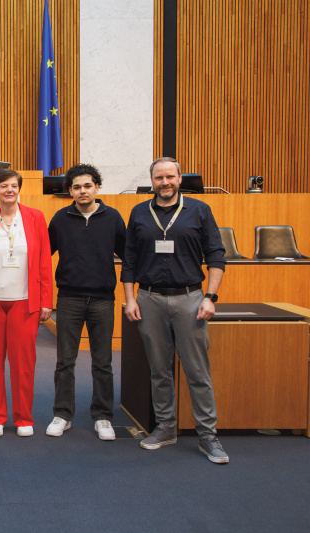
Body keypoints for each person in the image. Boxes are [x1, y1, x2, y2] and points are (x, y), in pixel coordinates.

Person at [122, 157, 229, 464]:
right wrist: (130, 299)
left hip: (190, 299)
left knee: (197, 371)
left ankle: (208, 436)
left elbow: (216, 255)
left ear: (180, 179)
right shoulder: (140, 212)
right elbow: (129, 259)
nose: (165, 182)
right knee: (159, 370)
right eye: (159, 178)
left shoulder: (199, 210)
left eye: (170, 177)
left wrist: (211, 296)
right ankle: (166, 428)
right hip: (149, 299)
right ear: (152, 181)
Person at [0, 169, 53, 437]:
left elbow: (44, 263)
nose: (9, 190)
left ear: (19, 189)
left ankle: (24, 418)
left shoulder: (35, 218)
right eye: (3, 186)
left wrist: (46, 300)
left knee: (23, 364)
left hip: (25, 303)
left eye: (13, 186)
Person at [45, 164, 126, 441]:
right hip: (69, 298)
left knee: (103, 362)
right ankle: (62, 414)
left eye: (87, 186)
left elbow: (128, 255)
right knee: (65, 361)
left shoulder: (112, 217)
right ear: (70, 191)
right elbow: (44, 255)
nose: (82, 191)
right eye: (77, 187)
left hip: (103, 300)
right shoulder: (61, 218)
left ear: (97, 188)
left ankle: (103, 417)